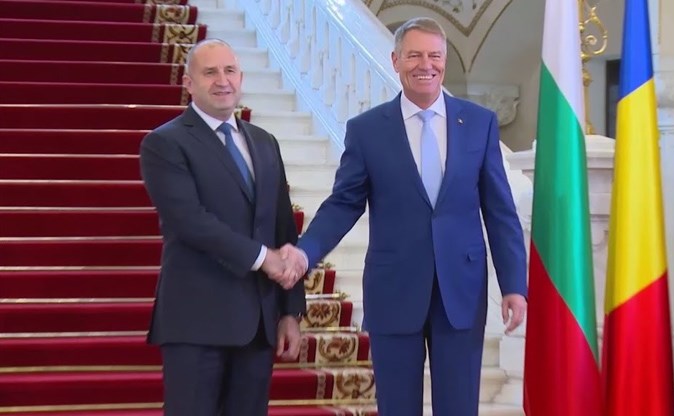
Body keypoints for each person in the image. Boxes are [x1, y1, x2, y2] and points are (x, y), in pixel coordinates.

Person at [279, 17, 527, 416]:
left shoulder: (479, 123)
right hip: (393, 291)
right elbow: (344, 203)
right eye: (414, 55)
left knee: (459, 408)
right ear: (395, 61)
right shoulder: (367, 130)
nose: (425, 65)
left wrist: (514, 284)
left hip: (461, 292)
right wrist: (306, 252)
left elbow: (500, 212)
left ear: (445, 60)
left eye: (434, 56)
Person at [139, 38, 305, 416]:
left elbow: (283, 226)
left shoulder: (264, 142)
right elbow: (190, 222)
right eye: (210, 72)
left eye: (230, 70)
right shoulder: (164, 143)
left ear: (241, 78)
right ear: (189, 83)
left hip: (258, 325)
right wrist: (264, 258)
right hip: (197, 322)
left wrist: (290, 312)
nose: (222, 80)